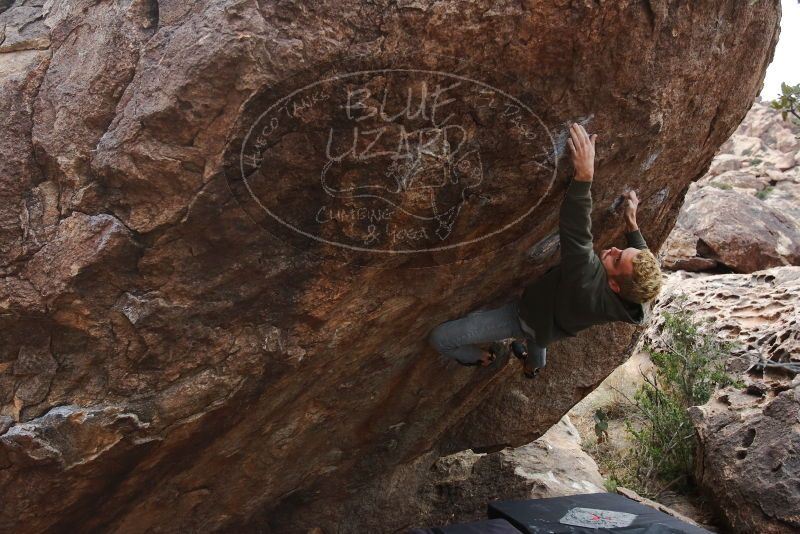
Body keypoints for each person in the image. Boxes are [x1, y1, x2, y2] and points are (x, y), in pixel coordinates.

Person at [428, 123, 663, 378]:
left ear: (615, 286)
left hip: (521, 316)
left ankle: (481, 358)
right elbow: (642, 264)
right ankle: (533, 367)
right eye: (622, 250)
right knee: (538, 344)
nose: (614, 249)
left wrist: (584, 175)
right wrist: (632, 225)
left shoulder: (587, 283)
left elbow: (577, 232)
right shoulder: (635, 297)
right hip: (550, 330)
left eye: (616, 259)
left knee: (440, 339)